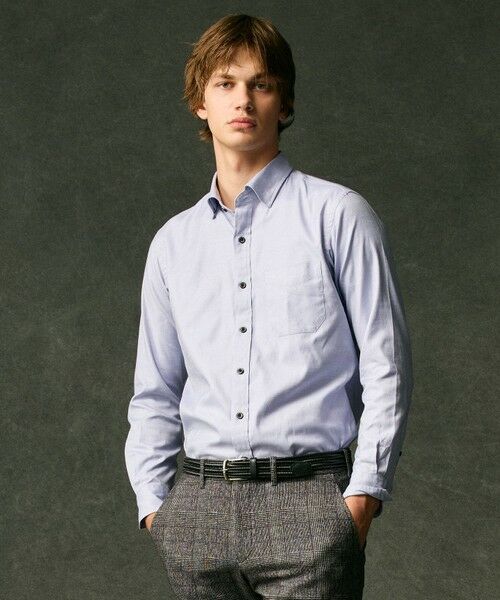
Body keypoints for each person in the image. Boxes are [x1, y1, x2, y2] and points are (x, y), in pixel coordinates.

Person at [124, 13, 413, 600]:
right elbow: (155, 389)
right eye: (225, 83)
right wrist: (156, 508)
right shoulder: (173, 243)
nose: (243, 100)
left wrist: (362, 496)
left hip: (311, 500)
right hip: (198, 509)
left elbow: (387, 365)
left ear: (284, 103)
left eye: (261, 84)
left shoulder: (338, 216)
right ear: (200, 102)